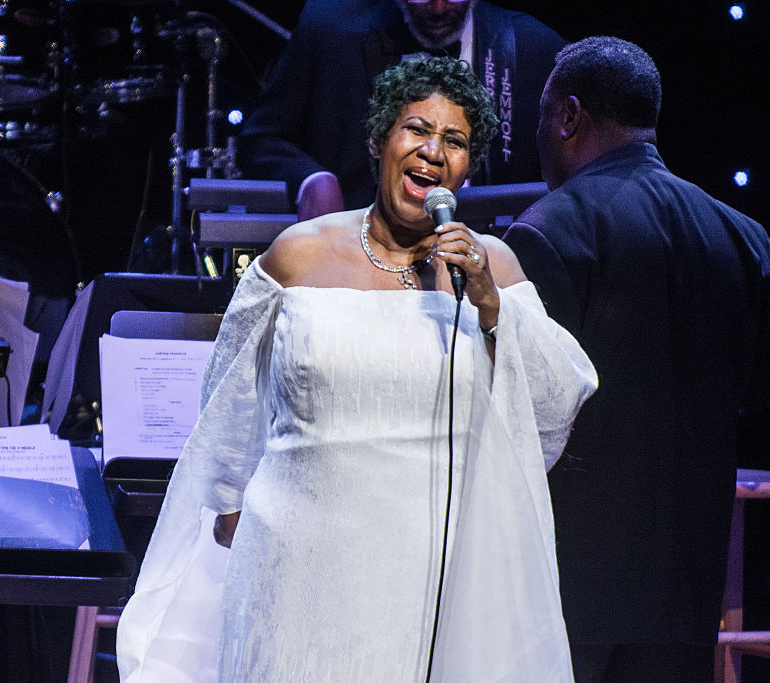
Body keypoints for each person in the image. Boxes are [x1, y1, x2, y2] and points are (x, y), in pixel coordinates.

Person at [116, 55, 596, 682]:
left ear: (468, 168)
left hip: (433, 570)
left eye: (454, 141)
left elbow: (555, 402)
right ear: (378, 140)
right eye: (416, 129)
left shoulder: (492, 266)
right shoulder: (298, 255)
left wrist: (489, 305)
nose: (432, 151)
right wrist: (229, 507)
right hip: (295, 568)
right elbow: (228, 399)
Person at [502, 36, 770, 681]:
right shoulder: (743, 235)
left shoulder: (545, 231)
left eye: (542, 116)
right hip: (690, 585)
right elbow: (759, 391)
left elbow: (519, 413)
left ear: (567, 117)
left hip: (568, 588)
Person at [235, 0, 565, 222]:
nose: (438, 8)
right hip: (357, 256)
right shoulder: (327, 30)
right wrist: (310, 180)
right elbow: (260, 138)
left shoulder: (534, 48)